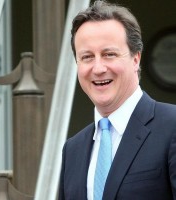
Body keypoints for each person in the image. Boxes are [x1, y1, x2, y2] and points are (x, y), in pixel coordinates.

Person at [59, 1, 176, 200]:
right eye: (87, 57)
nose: (98, 68)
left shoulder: (172, 125)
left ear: (135, 59)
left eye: (109, 54)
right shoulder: (73, 149)